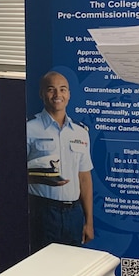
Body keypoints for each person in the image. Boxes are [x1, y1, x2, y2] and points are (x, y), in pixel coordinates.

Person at [26, 70, 93, 251]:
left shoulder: (80, 132)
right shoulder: (29, 129)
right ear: (42, 94)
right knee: (43, 269)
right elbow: (13, 176)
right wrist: (39, 179)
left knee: (72, 270)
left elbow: (85, 178)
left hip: (74, 214)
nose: (57, 95)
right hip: (43, 212)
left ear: (69, 95)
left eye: (63, 90)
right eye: (51, 89)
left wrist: (89, 222)